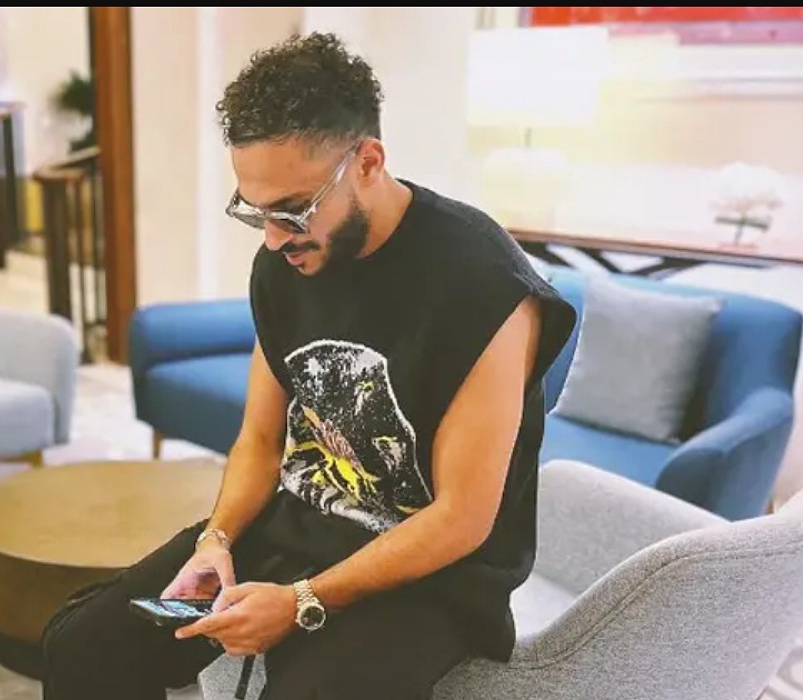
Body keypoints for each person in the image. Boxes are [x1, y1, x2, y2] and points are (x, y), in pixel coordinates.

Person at [39, 31, 576, 700]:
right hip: (299, 526)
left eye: (293, 211)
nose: (272, 240)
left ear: (368, 162)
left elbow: (462, 518)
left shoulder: (483, 284)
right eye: (255, 211)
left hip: (431, 579)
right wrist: (217, 540)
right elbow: (261, 440)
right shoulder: (284, 264)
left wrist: (302, 602)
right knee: (84, 645)